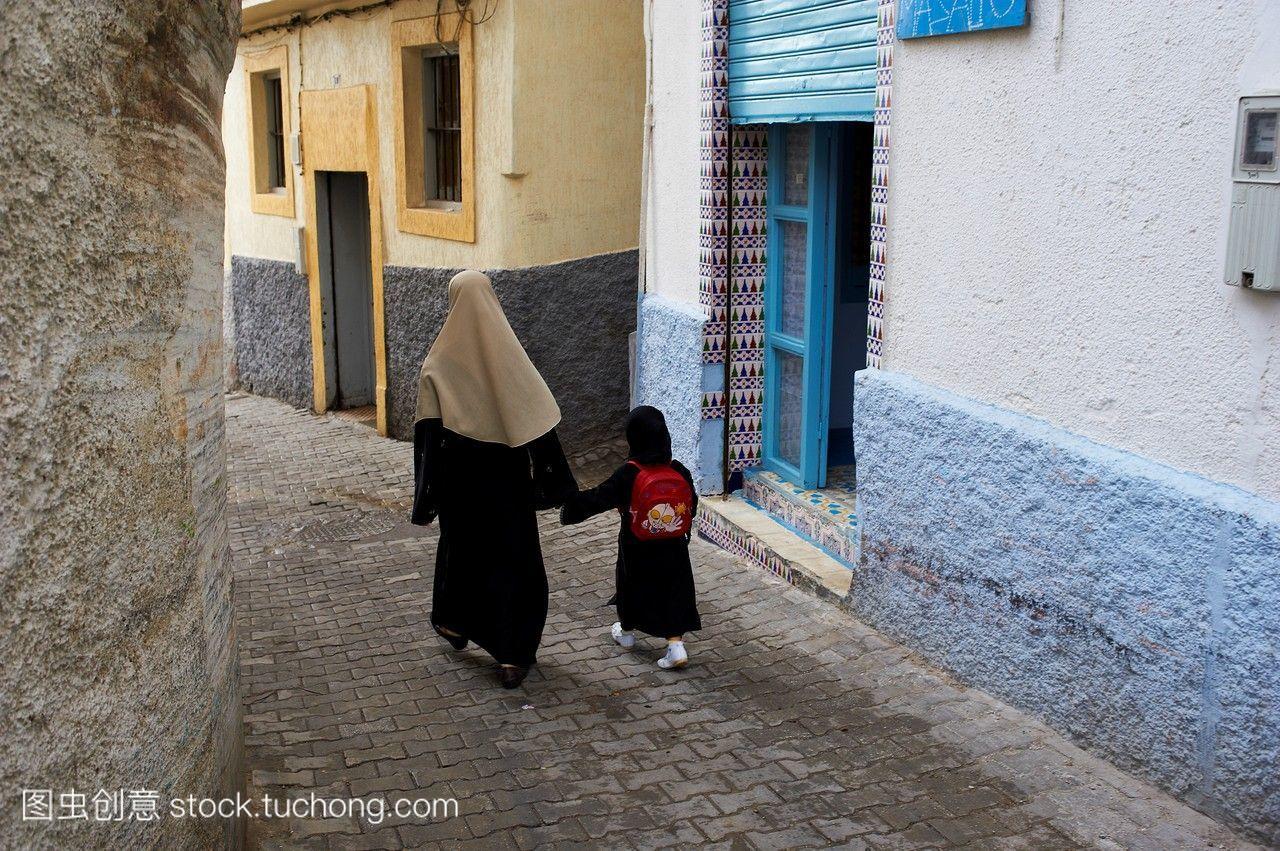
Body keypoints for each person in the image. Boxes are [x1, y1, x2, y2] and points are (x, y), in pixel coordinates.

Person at [410, 270, 576, 689]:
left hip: (460, 487)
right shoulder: (511, 358)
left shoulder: (437, 364)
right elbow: (539, 424)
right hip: (507, 486)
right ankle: (513, 656)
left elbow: (428, 439)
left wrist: (426, 498)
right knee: (514, 562)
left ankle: (456, 625)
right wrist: (555, 483)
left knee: (464, 559)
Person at [559, 406, 702, 669]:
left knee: (631, 584)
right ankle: (675, 645)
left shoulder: (630, 472)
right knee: (674, 589)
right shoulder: (679, 470)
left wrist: (570, 505)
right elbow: (691, 503)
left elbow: (599, 498)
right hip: (674, 546)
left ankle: (626, 633)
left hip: (637, 544)